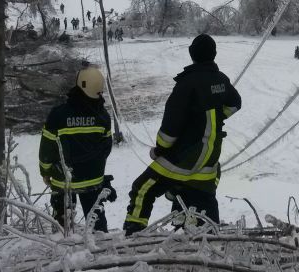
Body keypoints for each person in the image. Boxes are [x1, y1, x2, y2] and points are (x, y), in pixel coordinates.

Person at [123, 34, 241, 235]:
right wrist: (214, 118)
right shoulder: (221, 80)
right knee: (200, 197)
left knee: (142, 188)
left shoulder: (187, 84)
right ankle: (206, 234)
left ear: (192, 54)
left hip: (186, 157)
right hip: (209, 160)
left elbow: (169, 131)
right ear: (213, 54)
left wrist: (160, 150)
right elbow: (235, 103)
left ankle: (133, 234)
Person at [39, 67, 116, 232]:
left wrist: (45, 171)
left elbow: (47, 148)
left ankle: (62, 243)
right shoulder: (103, 116)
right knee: (96, 222)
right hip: (93, 180)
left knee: (63, 224)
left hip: (63, 180)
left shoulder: (58, 115)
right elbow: (106, 148)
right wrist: (93, 165)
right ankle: (102, 245)